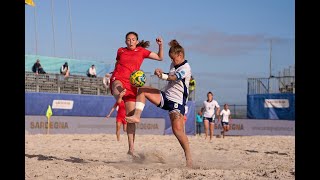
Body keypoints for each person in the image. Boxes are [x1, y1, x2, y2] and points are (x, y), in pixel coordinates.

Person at [126, 39, 193, 167]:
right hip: (166, 96)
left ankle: (189, 158)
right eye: (171, 59)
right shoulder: (174, 65)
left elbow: (175, 77)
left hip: (177, 103)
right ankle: (137, 116)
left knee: (177, 130)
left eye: (173, 59)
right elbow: (170, 75)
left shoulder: (186, 68)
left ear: (180, 55)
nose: (172, 61)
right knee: (142, 90)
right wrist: (161, 73)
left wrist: (162, 75)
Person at [109, 31, 163, 157]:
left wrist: (160, 45)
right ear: (125, 41)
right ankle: (118, 97)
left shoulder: (142, 51)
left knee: (131, 117)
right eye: (128, 39)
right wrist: (113, 71)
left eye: (133, 39)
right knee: (117, 85)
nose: (130, 41)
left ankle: (131, 148)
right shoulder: (120, 50)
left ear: (137, 41)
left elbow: (160, 58)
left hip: (132, 84)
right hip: (119, 78)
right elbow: (118, 63)